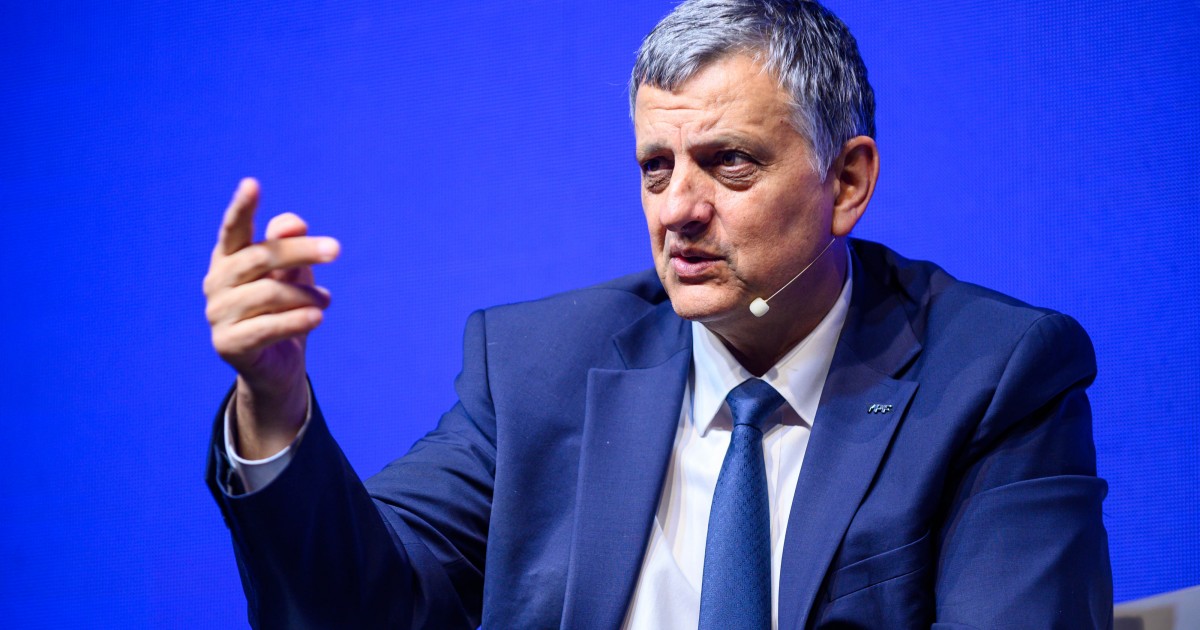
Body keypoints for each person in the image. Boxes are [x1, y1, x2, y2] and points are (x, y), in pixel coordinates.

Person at [203, 1, 1112, 628]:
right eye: (655, 167)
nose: (677, 208)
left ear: (846, 182)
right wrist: (274, 405)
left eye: (728, 163)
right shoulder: (538, 368)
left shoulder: (994, 376)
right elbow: (363, 608)